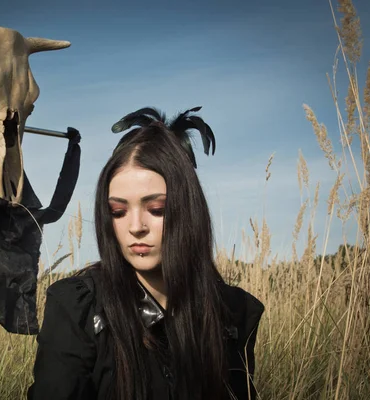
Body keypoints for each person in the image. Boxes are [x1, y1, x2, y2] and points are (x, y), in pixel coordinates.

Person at [27, 107, 265, 400]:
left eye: (156, 210)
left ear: (188, 210)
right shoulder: (79, 310)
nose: (135, 227)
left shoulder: (231, 314)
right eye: (118, 211)